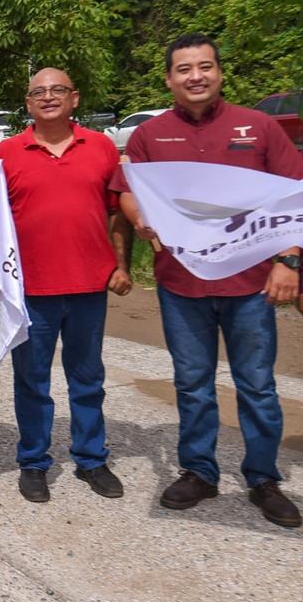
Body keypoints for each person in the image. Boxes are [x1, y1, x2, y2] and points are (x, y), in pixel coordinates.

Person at [113, 34, 302, 528]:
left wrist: (290, 262)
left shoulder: (259, 127)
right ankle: (199, 471)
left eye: (205, 67)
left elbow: (293, 201)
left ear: (220, 72)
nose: (195, 76)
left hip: (252, 284)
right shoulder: (148, 136)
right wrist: (140, 218)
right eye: (184, 69)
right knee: (193, 384)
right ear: (169, 79)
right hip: (182, 285)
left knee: (257, 385)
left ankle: (263, 477)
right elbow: (126, 195)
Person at [0, 69, 134, 504]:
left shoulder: (102, 147)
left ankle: (91, 458)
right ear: (27, 103)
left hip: (89, 285)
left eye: (57, 90)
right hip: (30, 291)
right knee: (32, 381)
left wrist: (121, 264)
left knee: (87, 377)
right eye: (38, 92)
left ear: (74, 98)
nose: (48, 97)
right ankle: (34, 462)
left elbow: (117, 212)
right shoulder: (5, 154)